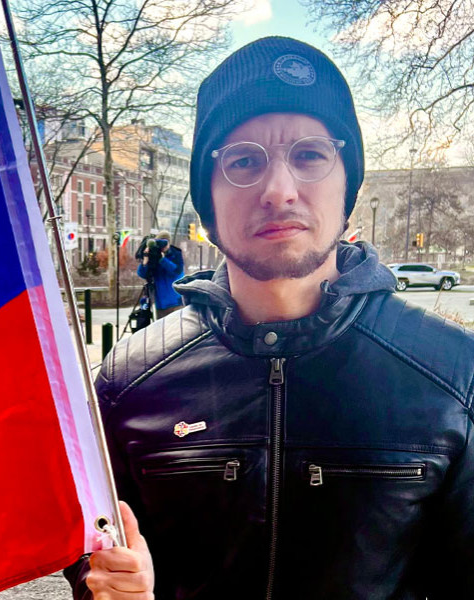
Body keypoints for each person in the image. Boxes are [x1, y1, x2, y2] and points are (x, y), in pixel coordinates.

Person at [66, 36, 474, 599]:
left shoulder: (454, 376)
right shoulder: (126, 382)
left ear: (347, 186)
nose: (278, 191)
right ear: (207, 202)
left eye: (308, 155)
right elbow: (96, 570)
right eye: (243, 161)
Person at [136, 230, 184, 318]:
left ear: (169, 242)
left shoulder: (175, 254)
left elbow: (176, 271)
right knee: (162, 330)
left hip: (176, 301)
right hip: (161, 303)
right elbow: (142, 274)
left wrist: (162, 260)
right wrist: (145, 261)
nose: (162, 246)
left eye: (164, 242)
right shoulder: (153, 255)